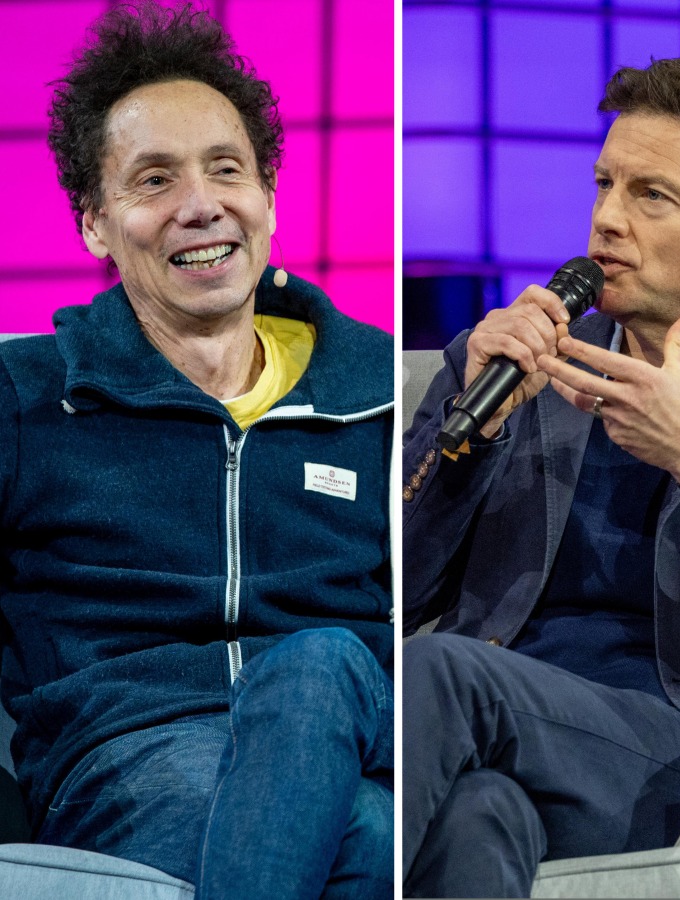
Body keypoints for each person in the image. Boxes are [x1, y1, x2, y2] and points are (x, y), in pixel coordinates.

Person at [0, 3, 393, 898]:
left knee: (322, 663)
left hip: (345, 730)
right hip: (129, 755)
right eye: (154, 181)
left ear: (268, 197)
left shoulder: (370, 390)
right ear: (95, 225)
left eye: (227, 170)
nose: (201, 205)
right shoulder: (29, 395)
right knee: (364, 841)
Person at [401, 56, 680, 898]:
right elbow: (386, 590)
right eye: (604, 184)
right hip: (492, 729)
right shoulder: (509, 366)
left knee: (436, 671)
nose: (606, 220)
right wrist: (470, 436)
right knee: (475, 819)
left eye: (651, 195)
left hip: (672, 746)